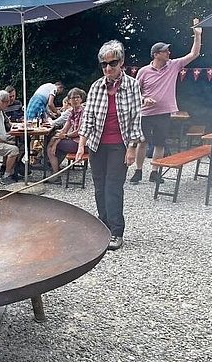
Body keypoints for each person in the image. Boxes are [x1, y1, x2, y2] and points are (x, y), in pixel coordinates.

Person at [77, 40, 142, 251]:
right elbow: (88, 119)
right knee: (98, 186)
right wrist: (81, 145)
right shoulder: (96, 86)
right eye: (103, 64)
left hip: (119, 144)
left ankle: (116, 231)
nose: (108, 68)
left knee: (113, 187)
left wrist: (132, 147)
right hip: (97, 145)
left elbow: (135, 118)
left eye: (112, 63)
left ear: (121, 62)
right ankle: (103, 225)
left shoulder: (132, 85)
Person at [130, 18, 202, 185]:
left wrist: (197, 36)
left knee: (160, 143)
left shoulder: (174, 65)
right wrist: (143, 99)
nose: (169, 53)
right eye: (165, 51)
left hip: (164, 112)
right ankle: (138, 171)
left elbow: (194, 54)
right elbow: (134, 92)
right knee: (142, 142)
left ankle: (155, 172)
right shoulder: (143, 71)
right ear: (156, 54)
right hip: (146, 113)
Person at [46, 88, 87, 183]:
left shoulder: (84, 112)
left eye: (77, 97)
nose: (75, 100)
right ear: (69, 100)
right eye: (73, 98)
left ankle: (55, 174)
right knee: (52, 141)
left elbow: (78, 132)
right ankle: (54, 171)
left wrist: (61, 138)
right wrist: (57, 139)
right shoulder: (72, 112)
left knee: (50, 146)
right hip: (73, 140)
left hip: (82, 143)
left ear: (81, 99)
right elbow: (65, 129)